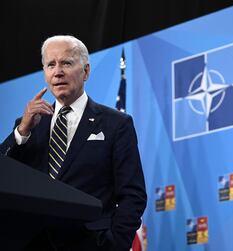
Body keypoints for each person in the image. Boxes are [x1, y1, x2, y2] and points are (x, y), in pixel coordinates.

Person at [0, 35, 147, 251]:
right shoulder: (28, 126)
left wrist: (114, 244)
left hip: (91, 244)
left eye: (66, 63)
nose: (57, 71)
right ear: (45, 73)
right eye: (51, 65)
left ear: (86, 71)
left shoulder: (116, 124)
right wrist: (21, 132)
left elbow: (133, 195)